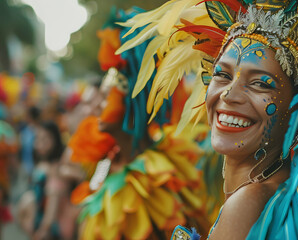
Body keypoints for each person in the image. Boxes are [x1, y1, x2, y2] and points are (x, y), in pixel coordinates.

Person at [120, 0, 298, 239]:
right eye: (223, 75)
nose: (230, 95)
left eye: (261, 84)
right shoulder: (276, 192)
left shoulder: (249, 202)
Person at [68, 7, 210, 240]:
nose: (95, 107)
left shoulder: (160, 173)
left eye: (105, 97)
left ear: (130, 101)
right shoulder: (107, 159)